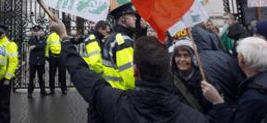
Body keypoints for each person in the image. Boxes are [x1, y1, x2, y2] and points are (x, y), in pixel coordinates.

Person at [50, 15, 207, 122]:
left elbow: (80, 73)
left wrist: (64, 37)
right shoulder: (195, 118)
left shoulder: (116, 105)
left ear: (135, 70)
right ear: (169, 66)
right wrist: (221, 106)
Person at [201, 37, 267, 123]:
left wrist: (217, 101)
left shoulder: (253, 97)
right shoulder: (258, 86)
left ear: (242, 59)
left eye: (238, 54)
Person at [81, 20, 111, 123]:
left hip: (93, 77)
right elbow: (95, 63)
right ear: (100, 30)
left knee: (96, 107)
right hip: (95, 77)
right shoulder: (93, 39)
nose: (108, 33)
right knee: (95, 108)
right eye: (106, 31)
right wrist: (106, 77)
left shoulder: (97, 38)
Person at [101, 3, 136, 90]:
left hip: (112, 91)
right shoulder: (124, 42)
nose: (135, 18)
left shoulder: (111, 37)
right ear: (123, 19)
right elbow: (130, 78)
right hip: (124, 92)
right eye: (131, 15)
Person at [171, 39, 211, 112]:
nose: (182, 59)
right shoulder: (169, 79)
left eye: (186, 55)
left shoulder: (204, 79)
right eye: (178, 56)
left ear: (193, 58)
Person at [0, 23, 19, 123]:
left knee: (3, 103)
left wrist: (8, 78)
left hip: (4, 79)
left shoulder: (10, 45)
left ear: (3, 34)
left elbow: (13, 62)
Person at [27, 25, 48, 98]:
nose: (36, 32)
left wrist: (35, 46)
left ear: (40, 31)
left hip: (41, 62)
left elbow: (43, 45)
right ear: (33, 32)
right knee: (31, 78)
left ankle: (43, 90)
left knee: (41, 77)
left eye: (38, 31)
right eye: (35, 31)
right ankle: (30, 92)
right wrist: (38, 45)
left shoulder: (43, 38)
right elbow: (32, 46)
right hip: (33, 62)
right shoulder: (31, 39)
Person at [46, 27, 67, 95]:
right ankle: (63, 89)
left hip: (53, 56)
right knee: (62, 73)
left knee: (52, 73)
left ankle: (52, 89)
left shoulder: (50, 36)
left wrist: (46, 56)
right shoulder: (59, 36)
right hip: (59, 56)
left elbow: (47, 46)